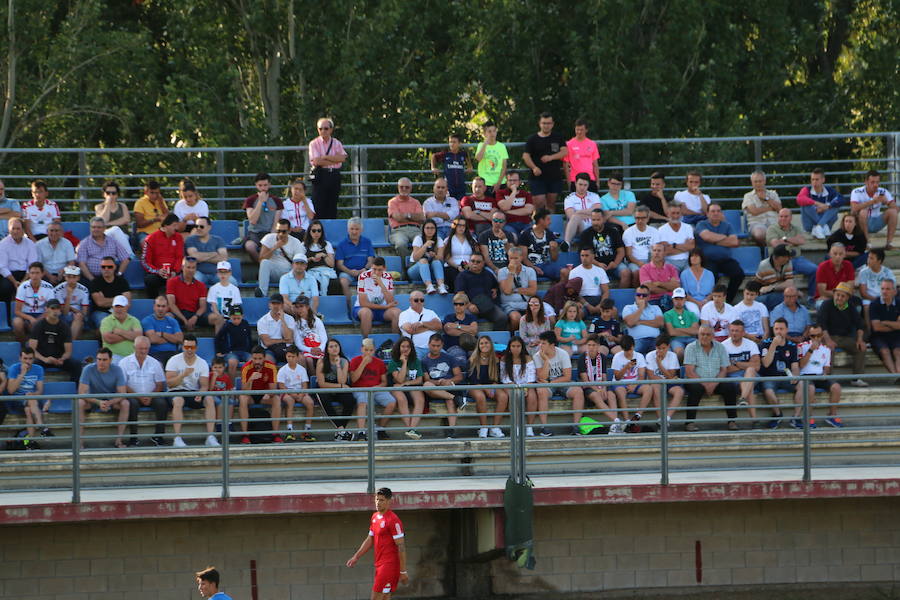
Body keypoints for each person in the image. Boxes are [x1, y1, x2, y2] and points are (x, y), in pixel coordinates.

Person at [346, 487, 409, 599]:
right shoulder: (375, 517)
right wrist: (356, 556)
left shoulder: (393, 520)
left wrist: (403, 571)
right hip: (379, 565)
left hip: (389, 566)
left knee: (375, 597)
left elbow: (401, 546)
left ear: (389, 501)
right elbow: (370, 539)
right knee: (385, 597)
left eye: (381, 500)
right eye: (376, 499)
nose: (378, 503)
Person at [160, 334, 216, 447]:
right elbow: (170, 384)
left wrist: (201, 394)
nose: (189, 350)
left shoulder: (202, 363)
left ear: (196, 348)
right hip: (175, 391)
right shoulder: (174, 360)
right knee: (178, 400)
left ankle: (210, 436)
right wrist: (183, 375)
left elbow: (204, 385)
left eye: (192, 347)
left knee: (209, 399)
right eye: (187, 347)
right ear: (182, 347)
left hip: (193, 391)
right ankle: (177, 437)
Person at [683, 326, 736, 431]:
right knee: (696, 389)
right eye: (702, 334)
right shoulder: (691, 347)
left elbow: (723, 370)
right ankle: (689, 423)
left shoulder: (720, 347)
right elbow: (689, 372)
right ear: (698, 335)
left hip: (715, 381)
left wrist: (713, 383)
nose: (705, 337)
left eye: (708, 334)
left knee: (730, 387)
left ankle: (732, 421)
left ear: (713, 336)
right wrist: (705, 384)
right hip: (696, 380)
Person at [534, 331, 586, 435]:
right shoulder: (537, 356)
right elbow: (541, 377)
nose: (540, 345)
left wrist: (550, 382)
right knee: (541, 391)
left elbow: (567, 376)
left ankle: (576, 426)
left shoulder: (563, 353)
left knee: (578, 391)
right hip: (547, 385)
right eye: (540, 343)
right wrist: (546, 361)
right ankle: (544, 427)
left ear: (552, 345)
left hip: (560, 382)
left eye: (543, 343)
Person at [817, 281, 868, 387]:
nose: (839, 298)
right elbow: (822, 325)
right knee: (828, 348)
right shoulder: (826, 304)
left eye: (843, 296)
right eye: (838, 295)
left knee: (861, 348)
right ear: (834, 294)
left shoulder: (850, 306)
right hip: (828, 336)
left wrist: (860, 340)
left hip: (845, 338)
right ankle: (828, 378)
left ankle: (856, 378)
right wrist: (828, 340)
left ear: (847, 298)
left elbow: (860, 324)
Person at [119, 336, 166, 448]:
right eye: (141, 348)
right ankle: (133, 438)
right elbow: (123, 385)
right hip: (132, 395)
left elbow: (160, 384)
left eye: (146, 348)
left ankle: (158, 436)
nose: (143, 351)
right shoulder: (124, 362)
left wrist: (151, 396)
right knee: (132, 404)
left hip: (151, 395)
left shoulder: (155, 362)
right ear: (134, 347)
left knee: (162, 404)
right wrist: (138, 397)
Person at [77, 347, 130, 448]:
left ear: (110, 360)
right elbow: (81, 392)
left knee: (125, 403)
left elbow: (123, 393)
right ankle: (79, 442)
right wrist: (98, 402)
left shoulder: (117, 369)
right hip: (93, 400)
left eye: (104, 360)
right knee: (80, 403)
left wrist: (109, 402)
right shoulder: (88, 369)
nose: (101, 362)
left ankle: (119, 441)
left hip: (111, 401)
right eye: (99, 359)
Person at [350, 338, 397, 441]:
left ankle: (380, 429)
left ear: (374, 350)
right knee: (362, 402)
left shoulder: (379, 363)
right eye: (366, 350)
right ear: (361, 349)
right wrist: (363, 364)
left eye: (371, 350)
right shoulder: (355, 361)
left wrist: (377, 387)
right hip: (360, 389)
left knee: (391, 402)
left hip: (376, 389)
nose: (368, 352)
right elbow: (353, 379)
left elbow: (384, 382)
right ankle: (361, 432)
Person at [765, 208, 818, 301]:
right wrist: (793, 241)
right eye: (781, 216)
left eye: (786, 216)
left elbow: (801, 241)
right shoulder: (772, 229)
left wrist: (784, 239)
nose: (783, 218)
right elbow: (776, 244)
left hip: (796, 259)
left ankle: (811, 298)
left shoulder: (796, 228)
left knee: (815, 270)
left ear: (791, 218)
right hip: (779, 261)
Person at [694, 204, 743, 302]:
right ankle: (710, 302)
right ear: (707, 213)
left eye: (718, 211)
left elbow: (734, 242)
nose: (716, 213)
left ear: (721, 213)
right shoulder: (701, 224)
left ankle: (728, 300)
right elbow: (707, 236)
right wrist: (725, 238)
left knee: (738, 274)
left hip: (725, 259)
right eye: (713, 211)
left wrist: (714, 240)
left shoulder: (727, 225)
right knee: (711, 276)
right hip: (708, 260)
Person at [797, 324, 843, 428]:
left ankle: (832, 415)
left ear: (822, 335)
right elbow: (801, 365)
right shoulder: (801, 346)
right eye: (813, 336)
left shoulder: (826, 349)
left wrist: (825, 374)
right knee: (811, 389)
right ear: (809, 336)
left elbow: (827, 367)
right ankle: (808, 417)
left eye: (818, 335)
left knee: (836, 387)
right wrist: (810, 350)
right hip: (806, 376)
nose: (816, 338)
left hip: (820, 375)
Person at [758, 318, 801, 428]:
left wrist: (795, 376)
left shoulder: (792, 346)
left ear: (787, 330)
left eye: (781, 329)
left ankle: (796, 417)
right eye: (776, 329)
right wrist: (773, 345)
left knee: (802, 385)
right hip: (770, 377)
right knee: (768, 391)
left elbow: (795, 366)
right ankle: (777, 415)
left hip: (786, 377)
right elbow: (766, 363)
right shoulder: (765, 344)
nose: (778, 331)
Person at [420, 334, 463, 438]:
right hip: (434, 388)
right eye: (433, 345)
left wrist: (448, 381)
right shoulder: (424, 361)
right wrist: (438, 382)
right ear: (428, 344)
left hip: (449, 386)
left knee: (449, 400)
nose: (435, 348)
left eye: (438, 346)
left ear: (442, 345)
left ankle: (451, 431)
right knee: (426, 385)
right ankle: (456, 398)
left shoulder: (450, 358)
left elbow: (459, 376)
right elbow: (427, 380)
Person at [500, 336, 545, 436]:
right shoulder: (504, 359)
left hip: (526, 385)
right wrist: (514, 386)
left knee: (532, 397)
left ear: (522, 347)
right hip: (510, 385)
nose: (516, 348)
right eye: (513, 346)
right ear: (509, 347)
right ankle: (516, 426)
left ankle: (529, 427)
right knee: (514, 396)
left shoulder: (528, 358)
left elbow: (531, 375)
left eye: (518, 346)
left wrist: (526, 388)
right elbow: (504, 377)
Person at [522, 112, 567, 211]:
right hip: (537, 177)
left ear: (552, 124)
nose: (546, 125)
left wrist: (551, 157)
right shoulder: (532, 139)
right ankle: (536, 220)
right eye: (544, 123)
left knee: (551, 204)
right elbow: (525, 156)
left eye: (548, 123)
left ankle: (549, 221)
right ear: (539, 123)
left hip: (554, 177)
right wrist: (534, 167)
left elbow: (565, 152)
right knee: (539, 203)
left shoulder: (558, 137)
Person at [237, 346, 283, 444]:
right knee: (242, 399)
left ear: (264, 358)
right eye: (255, 358)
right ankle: (245, 435)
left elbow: (273, 388)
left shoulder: (271, 367)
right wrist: (251, 379)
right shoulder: (246, 367)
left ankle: (275, 434)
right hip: (250, 395)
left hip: (264, 395)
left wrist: (269, 394)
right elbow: (244, 390)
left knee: (276, 399)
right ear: (251, 358)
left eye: (260, 359)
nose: (257, 361)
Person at [579, 335, 624, 434]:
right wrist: (598, 389)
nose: (591, 347)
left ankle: (614, 425)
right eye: (589, 345)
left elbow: (604, 376)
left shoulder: (602, 357)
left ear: (598, 346)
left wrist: (603, 388)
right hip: (588, 387)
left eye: (593, 345)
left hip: (600, 385)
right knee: (596, 395)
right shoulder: (582, 358)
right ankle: (616, 421)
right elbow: (585, 380)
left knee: (611, 395)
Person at [28, 298, 81, 381]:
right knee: (31, 364)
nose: (55, 311)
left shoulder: (64, 327)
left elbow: (68, 351)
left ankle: (76, 388)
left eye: (57, 308)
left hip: (59, 359)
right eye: (52, 308)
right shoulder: (38, 326)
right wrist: (45, 359)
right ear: (46, 309)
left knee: (76, 364)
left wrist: (62, 359)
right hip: (42, 359)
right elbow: (32, 350)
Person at [315, 339, 357, 441]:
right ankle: (341, 430)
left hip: (338, 387)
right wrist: (341, 386)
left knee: (350, 400)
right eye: (331, 346)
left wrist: (338, 365)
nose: (334, 348)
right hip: (325, 389)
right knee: (324, 398)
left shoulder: (344, 361)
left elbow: (342, 381)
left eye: (336, 346)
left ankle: (340, 433)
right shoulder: (321, 362)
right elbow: (322, 384)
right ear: (327, 350)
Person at [467, 335, 508, 438]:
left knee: (503, 396)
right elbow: (473, 380)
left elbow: (497, 379)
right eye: (481, 343)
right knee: (480, 396)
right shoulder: (473, 359)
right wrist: (486, 388)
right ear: (478, 346)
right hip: (475, 386)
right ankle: (483, 427)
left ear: (491, 344)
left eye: (486, 343)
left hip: (490, 385)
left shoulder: (495, 359)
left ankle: (495, 427)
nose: (484, 345)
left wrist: (493, 386)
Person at [608, 335, 653, 428]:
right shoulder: (617, 357)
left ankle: (637, 415)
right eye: (626, 350)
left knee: (648, 389)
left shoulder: (639, 356)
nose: (628, 352)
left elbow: (641, 375)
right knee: (621, 392)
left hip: (636, 383)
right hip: (620, 383)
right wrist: (626, 367)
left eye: (630, 350)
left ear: (633, 346)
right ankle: (627, 421)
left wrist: (634, 385)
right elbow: (617, 377)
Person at [454, 253, 507, 330]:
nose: (475, 263)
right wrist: (469, 305)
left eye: (478, 262)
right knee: (465, 318)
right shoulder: (462, 276)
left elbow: (495, 286)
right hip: (470, 306)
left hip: (487, 306)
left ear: (483, 263)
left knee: (502, 317)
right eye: (472, 261)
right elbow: (460, 294)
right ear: (469, 262)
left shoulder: (488, 274)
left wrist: (495, 290)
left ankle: (494, 337)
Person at [577, 209, 629, 287]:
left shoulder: (613, 231)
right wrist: (598, 264)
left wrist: (615, 263)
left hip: (614, 263)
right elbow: (584, 255)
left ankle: (620, 293)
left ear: (604, 219)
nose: (595, 223)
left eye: (598, 220)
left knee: (626, 273)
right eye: (593, 220)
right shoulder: (585, 234)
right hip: (594, 265)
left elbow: (621, 251)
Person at [8, 347, 49, 445]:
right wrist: (22, 374)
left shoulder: (38, 369)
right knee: (31, 401)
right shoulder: (14, 368)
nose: (27, 361)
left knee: (28, 409)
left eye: (30, 359)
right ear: (20, 358)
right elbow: (10, 390)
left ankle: (30, 443)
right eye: (25, 358)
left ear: (34, 359)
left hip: (33, 401)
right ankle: (41, 427)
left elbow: (40, 391)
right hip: (17, 401)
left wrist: (33, 394)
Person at [308, 117, 347, 220]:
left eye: (325, 128)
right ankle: (318, 228)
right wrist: (334, 160)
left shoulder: (336, 143)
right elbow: (316, 161)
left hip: (334, 175)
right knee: (318, 205)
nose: (323, 131)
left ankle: (331, 227)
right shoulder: (314, 143)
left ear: (331, 129)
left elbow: (342, 158)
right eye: (320, 128)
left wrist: (325, 157)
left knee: (332, 205)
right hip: (321, 175)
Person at [387, 338, 426, 440]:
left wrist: (406, 383)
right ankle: (411, 429)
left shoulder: (416, 361)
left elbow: (419, 380)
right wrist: (404, 363)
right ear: (398, 347)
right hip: (396, 387)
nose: (405, 349)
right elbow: (399, 380)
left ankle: (412, 429)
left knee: (420, 399)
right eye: (403, 346)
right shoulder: (393, 362)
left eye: (408, 347)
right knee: (401, 399)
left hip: (411, 386)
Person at [277, 345, 317, 442]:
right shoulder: (282, 370)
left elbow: (305, 385)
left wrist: (301, 395)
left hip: (300, 392)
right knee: (290, 401)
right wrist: (293, 394)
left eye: (293, 356)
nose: (291, 359)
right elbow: (281, 386)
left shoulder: (302, 369)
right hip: (287, 392)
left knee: (310, 403)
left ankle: (307, 430)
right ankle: (290, 430)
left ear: (297, 357)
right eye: (289, 356)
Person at [140, 212, 184, 299]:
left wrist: (175, 271)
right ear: (166, 225)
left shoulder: (178, 237)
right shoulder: (151, 238)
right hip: (158, 273)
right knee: (150, 280)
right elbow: (145, 261)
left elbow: (180, 257)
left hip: (173, 273)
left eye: (177, 225)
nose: (177, 228)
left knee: (186, 277)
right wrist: (157, 271)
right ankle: (155, 302)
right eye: (174, 225)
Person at [354, 256, 401, 338]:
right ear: (371, 267)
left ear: (384, 269)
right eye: (374, 269)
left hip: (382, 310)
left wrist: (381, 284)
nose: (376, 272)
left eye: (379, 270)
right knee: (366, 312)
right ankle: (366, 342)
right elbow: (363, 303)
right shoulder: (362, 277)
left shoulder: (388, 277)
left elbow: (390, 301)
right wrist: (385, 307)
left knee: (397, 312)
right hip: (363, 308)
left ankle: (396, 342)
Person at [850, 169, 897, 250]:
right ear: (866, 182)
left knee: (893, 212)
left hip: (877, 221)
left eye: (877, 182)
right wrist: (872, 201)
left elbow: (896, 209)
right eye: (872, 182)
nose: (875, 185)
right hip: (861, 222)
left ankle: (889, 243)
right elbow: (854, 208)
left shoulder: (883, 191)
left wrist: (886, 202)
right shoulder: (857, 191)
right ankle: (867, 243)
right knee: (863, 212)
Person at [256, 218, 304, 297]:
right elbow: (261, 260)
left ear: (289, 231)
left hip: (288, 273)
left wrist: (290, 273)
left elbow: (300, 263)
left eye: (284, 231)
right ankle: (262, 293)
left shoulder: (295, 242)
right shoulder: (269, 238)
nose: (281, 234)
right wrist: (274, 248)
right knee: (265, 262)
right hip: (273, 272)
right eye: (278, 231)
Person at [721, 320, 761, 413]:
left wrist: (736, 363)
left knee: (750, 371)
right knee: (749, 384)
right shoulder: (723, 346)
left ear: (743, 333)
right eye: (732, 330)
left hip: (751, 375)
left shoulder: (751, 344)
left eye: (737, 331)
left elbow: (757, 366)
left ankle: (743, 397)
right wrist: (747, 364)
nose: (734, 333)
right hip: (733, 378)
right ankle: (754, 419)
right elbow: (726, 369)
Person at [336, 217, 376, 310]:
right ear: (348, 229)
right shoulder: (342, 244)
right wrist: (350, 272)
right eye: (352, 229)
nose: (354, 232)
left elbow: (371, 260)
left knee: (373, 278)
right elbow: (339, 264)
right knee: (343, 281)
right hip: (347, 272)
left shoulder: (367, 242)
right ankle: (349, 307)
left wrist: (364, 269)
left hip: (364, 271)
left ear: (361, 230)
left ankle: (369, 306)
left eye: (357, 229)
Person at [645, 335, 685, 425]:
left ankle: (666, 418)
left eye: (664, 348)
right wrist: (666, 378)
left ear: (668, 346)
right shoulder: (650, 355)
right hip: (658, 383)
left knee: (679, 391)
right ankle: (661, 420)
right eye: (659, 348)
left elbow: (671, 376)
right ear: (655, 347)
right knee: (656, 387)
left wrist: (659, 364)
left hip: (668, 382)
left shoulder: (673, 355)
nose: (661, 351)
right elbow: (651, 376)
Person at [76, 217, 131, 281]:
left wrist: (119, 274)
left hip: (111, 277)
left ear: (104, 228)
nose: (96, 229)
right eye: (93, 227)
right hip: (91, 277)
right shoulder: (84, 243)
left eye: (99, 227)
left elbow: (125, 259)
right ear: (90, 228)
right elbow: (81, 264)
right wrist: (93, 280)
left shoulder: (113, 241)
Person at [13, 261, 55, 344]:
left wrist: (38, 320)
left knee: (52, 319)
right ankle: (23, 344)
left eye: (37, 273)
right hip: (26, 315)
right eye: (32, 273)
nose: (34, 276)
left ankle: (43, 345)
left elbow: (51, 309)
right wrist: (30, 318)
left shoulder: (49, 287)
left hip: (42, 314)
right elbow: (17, 311)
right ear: (29, 274)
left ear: (42, 274)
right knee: (17, 322)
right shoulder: (22, 287)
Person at [387, 177, 425, 268]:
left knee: (423, 242)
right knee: (400, 244)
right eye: (401, 187)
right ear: (398, 188)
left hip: (415, 230)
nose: (404, 189)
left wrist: (406, 215)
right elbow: (398, 218)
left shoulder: (416, 202)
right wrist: (413, 217)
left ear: (410, 188)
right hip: (398, 231)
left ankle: (415, 268)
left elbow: (421, 218)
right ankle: (406, 267)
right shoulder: (392, 202)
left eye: (407, 187)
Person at [796, 168, 844, 239]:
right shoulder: (807, 189)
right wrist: (817, 204)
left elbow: (841, 199)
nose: (814, 182)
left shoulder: (829, 190)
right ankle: (821, 226)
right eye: (812, 179)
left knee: (835, 205)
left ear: (823, 180)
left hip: (826, 227)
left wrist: (828, 206)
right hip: (810, 226)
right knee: (805, 204)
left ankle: (820, 226)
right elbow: (799, 199)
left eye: (817, 179)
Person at [497, 247, 537, 332]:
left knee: (541, 316)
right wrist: (511, 272)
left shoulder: (530, 271)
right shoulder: (502, 272)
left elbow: (533, 291)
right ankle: (514, 336)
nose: (513, 261)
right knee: (516, 318)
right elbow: (507, 291)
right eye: (511, 258)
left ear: (521, 258)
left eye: (516, 258)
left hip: (527, 303)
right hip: (509, 304)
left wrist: (515, 290)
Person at [518, 208, 563, 282]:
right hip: (530, 267)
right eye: (548, 219)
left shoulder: (549, 234)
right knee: (527, 274)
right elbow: (524, 258)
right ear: (541, 220)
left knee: (564, 272)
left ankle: (556, 289)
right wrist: (534, 268)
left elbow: (554, 259)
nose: (550, 222)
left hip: (546, 265)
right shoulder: (525, 234)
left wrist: (554, 249)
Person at [0, 217, 39, 303]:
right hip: (10, 275)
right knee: (4, 287)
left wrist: (24, 281)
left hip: (27, 274)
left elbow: (32, 264)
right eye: (13, 228)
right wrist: (14, 282)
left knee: (36, 284)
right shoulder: (3, 244)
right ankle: (6, 310)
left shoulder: (30, 244)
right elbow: (2, 267)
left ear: (23, 230)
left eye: (18, 229)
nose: (15, 231)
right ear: (9, 230)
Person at [167, 256, 209, 332]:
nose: (191, 270)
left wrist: (195, 317)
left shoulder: (201, 285)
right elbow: (171, 304)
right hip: (177, 313)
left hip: (193, 314)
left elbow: (203, 307)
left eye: (193, 268)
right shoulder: (172, 282)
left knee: (216, 318)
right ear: (182, 267)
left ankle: (219, 339)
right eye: (188, 267)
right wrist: (184, 320)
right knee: (168, 316)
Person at [184, 216, 229, 286]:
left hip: (217, 273)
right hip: (198, 272)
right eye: (196, 226)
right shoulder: (190, 240)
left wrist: (201, 257)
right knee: (193, 283)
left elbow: (224, 258)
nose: (198, 228)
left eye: (201, 226)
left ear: (209, 227)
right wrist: (214, 254)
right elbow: (194, 257)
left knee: (232, 282)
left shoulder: (218, 240)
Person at [88, 256, 131, 328]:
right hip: (101, 312)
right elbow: (100, 303)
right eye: (103, 267)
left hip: (120, 312)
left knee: (130, 326)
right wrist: (120, 299)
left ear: (115, 267)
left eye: (109, 267)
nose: (106, 269)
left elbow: (127, 302)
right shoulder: (95, 282)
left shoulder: (122, 281)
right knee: (106, 325)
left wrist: (105, 300)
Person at [215, 305, 255, 381]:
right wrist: (219, 351)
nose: (236, 321)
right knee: (232, 362)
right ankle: (232, 385)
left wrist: (251, 350)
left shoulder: (245, 324)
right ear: (230, 317)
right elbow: (218, 338)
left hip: (245, 352)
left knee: (252, 362)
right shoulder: (227, 326)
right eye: (234, 318)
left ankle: (248, 384)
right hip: (231, 352)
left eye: (238, 318)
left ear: (242, 316)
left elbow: (249, 338)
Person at [100, 295, 143, 364]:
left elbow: (139, 337)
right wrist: (130, 335)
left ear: (127, 307)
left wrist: (120, 332)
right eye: (116, 306)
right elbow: (108, 339)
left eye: (121, 306)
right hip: (112, 356)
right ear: (113, 307)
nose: (118, 309)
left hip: (132, 356)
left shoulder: (134, 320)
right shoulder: (106, 321)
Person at [742, 170, 782, 246]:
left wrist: (766, 198)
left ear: (764, 181)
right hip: (757, 223)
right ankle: (774, 246)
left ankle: (772, 246)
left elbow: (779, 209)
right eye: (755, 181)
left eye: (760, 181)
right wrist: (770, 208)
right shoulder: (748, 196)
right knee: (759, 234)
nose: (758, 184)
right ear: (752, 182)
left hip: (774, 222)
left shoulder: (773, 194)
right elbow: (754, 211)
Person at [141, 295, 184, 366]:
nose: (160, 309)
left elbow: (180, 339)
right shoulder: (147, 321)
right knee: (158, 365)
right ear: (154, 307)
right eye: (158, 306)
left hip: (173, 353)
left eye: (163, 306)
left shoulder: (173, 321)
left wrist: (162, 334)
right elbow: (153, 339)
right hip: (155, 354)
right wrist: (172, 339)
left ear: (167, 308)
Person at [869, 280, 900, 375]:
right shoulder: (874, 304)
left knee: (898, 351)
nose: (884, 292)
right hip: (878, 337)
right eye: (882, 289)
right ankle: (895, 376)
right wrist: (894, 325)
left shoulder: (899, 303)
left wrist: (885, 322)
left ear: (894, 291)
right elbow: (877, 327)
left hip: (896, 336)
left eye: (887, 289)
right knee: (884, 351)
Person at [563, 173, 602, 247]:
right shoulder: (569, 198)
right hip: (580, 227)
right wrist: (590, 213)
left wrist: (578, 212)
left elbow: (598, 212)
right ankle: (566, 244)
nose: (582, 187)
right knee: (575, 218)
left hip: (594, 226)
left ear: (588, 185)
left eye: (585, 185)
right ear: (575, 183)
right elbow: (571, 216)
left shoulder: (595, 196)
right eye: (580, 184)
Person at [299, 219, 338, 296]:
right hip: (311, 272)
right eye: (314, 231)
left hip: (326, 271)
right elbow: (300, 263)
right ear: (309, 232)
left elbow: (332, 264)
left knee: (335, 283)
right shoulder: (303, 245)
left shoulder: (327, 244)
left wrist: (324, 255)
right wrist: (311, 259)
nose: (316, 233)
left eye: (319, 231)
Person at [622, 285, 664, 354]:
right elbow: (630, 323)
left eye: (644, 295)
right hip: (637, 340)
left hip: (655, 340)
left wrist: (639, 322)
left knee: (664, 354)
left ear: (649, 296)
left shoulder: (655, 308)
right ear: (635, 296)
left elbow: (660, 323)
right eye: (638, 295)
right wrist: (641, 307)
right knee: (632, 356)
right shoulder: (628, 308)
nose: (641, 297)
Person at [430, 134, 473, 202]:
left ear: (459, 143)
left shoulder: (463, 154)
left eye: (454, 142)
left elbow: (468, 161)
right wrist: (433, 167)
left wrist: (470, 166)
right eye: (450, 142)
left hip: (461, 185)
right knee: (448, 203)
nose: (452, 144)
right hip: (449, 186)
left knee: (460, 204)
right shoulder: (446, 154)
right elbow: (434, 156)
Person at [568, 247, 611, 316]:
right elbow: (574, 293)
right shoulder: (574, 272)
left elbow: (606, 292)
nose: (584, 258)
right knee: (577, 313)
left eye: (587, 255)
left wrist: (601, 305)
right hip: (582, 300)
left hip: (598, 299)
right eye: (582, 256)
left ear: (593, 256)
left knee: (613, 311)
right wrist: (587, 305)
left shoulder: (600, 271)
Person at [409, 219, 447, 294]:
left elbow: (441, 258)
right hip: (415, 271)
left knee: (436, 261)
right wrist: (425, 246)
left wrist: (434, 255)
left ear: (435, 229)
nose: (430, 230)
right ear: (423, 229)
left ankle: (441, 286)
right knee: (423, 260)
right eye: (427, 228)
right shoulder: (418, 238)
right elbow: (415, 258)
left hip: (431, 271)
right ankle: (429, 287)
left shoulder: (438, 239)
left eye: (432, 228)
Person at [398, 290, 441, 355]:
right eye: (416, 300)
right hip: (415, 348)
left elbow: (439, 326)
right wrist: (430, 326)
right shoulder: (404, 314)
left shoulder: (431, 312)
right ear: (410, 301)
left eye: (422, 300)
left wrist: (422, 323)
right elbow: (410, 330)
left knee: (448, 359)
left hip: (434, 347)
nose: (419, 302)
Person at [292, 296, 328, 374]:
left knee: (322, 359)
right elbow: (298, 343)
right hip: (306, 350)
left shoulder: (317, 321)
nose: (299, 309)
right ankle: (313, 377)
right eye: (297, 307)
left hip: (319, 349)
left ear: (307, 307)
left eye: (301, 306)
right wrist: (310, 350)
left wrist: (320, 348)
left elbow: (324, 338)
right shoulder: (296, 324)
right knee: (308, 360)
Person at [563, 119, 600, 192]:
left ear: (586, 130)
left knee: (592, 199)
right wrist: (569, 182)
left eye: (581, 130)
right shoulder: (569, 144)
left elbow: (595, 165)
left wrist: (597, 181)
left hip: (590, 179)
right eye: (577, 129)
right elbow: (565, 165)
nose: (579, 132)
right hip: (575, 180)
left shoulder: (592, 144)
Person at [92, 181, 131, 251]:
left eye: (113, 193)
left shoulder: (122, 206)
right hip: (106, 234)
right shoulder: (99, 207)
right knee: (115, 229)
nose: (111, 195)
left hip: (123, 235)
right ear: (104, 194)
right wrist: (107, 204)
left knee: (116, 230)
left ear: (117, 195)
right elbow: (103, 220)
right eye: (108, 193)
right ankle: (130, 254)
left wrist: (108, 224)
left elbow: (126, 219)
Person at [53, 265, 89, 341]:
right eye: (69, 277)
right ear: (65, 277)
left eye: (74, 277)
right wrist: (69, 295)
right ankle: (71, 342)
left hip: (78, 316)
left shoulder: (84, 290)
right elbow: (64, 312)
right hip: (62, 316)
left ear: (78, 278)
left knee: (79, 317)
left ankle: (71, 342)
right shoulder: (58, 289)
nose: (71, 279)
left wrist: (72, 309)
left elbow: (84, 313)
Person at [755, 243, 796, 310]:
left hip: (779, 292)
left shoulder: (788, 263)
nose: (789, 259)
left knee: (790, 296)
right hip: (765, 294)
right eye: (786, 256)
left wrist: (772, 287)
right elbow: (758, 286)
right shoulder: (764, 265)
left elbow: (789, 283)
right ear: (776, 257)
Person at [257, 294, 296, 363]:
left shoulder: (290, 319)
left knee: (299, 359)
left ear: (282, 305)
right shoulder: (262, 321)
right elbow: (267, 342)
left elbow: (289, 337)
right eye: (273, 303)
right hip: (269, 349)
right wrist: (284, 340)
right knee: (268, 360)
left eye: (278, 303)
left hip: (286, 348)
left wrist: (282, 319)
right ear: (269, 305)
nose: (275, 306)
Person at [639, 243, 679, 309]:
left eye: (659, 251)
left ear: (664, 253)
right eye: (654, 250)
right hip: (653, 300)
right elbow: (649, 288)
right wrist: (668, 288)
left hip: (670, 299)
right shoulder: (644, 268)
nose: (656, 253)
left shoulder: (671, 268)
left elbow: (676, 286)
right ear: (651, 253)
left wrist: (659, 283)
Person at [657, 202, 695, 271]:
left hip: (687, 261)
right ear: (668, 214)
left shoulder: (688, 227)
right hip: (670, 262)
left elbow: (692, 247)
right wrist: (685, 246)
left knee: (689, 276)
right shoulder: (662, 230)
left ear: (681, 214)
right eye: (673, 213)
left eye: (678, 213)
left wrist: (674, 245)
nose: (675, 216)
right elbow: (666, 251)